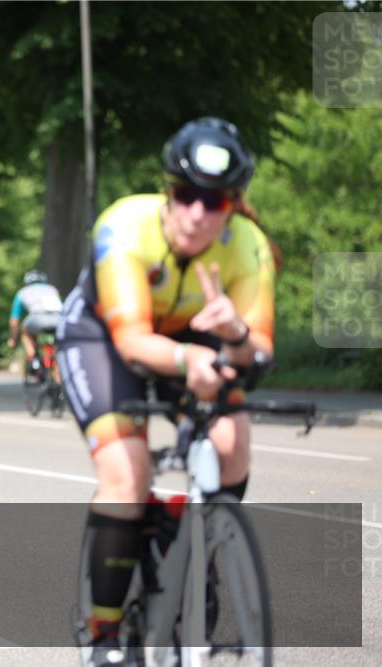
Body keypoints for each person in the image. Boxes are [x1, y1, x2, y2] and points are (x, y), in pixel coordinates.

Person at [55, 118, 275, 667]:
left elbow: (261, 353)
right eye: (186, 195)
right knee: (127, 475)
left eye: (216, 201)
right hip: (103, 337)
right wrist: (190, 358)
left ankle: (201, 543)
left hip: (193, 333)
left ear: (233, 204)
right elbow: (131, 341)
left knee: (231, 444)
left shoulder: (248, 246)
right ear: (168, 193)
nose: (199, 213)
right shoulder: (125, 227)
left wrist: (237, 335)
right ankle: (101, 637)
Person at [8, 269, 63, 383]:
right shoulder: (51, 289)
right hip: (59, 319)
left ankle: (34, 359)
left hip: (36, 318)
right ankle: (58, 370)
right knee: (57, 346)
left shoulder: (22, 292)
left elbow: (14, 321)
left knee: (25, 333)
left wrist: (13, 339)